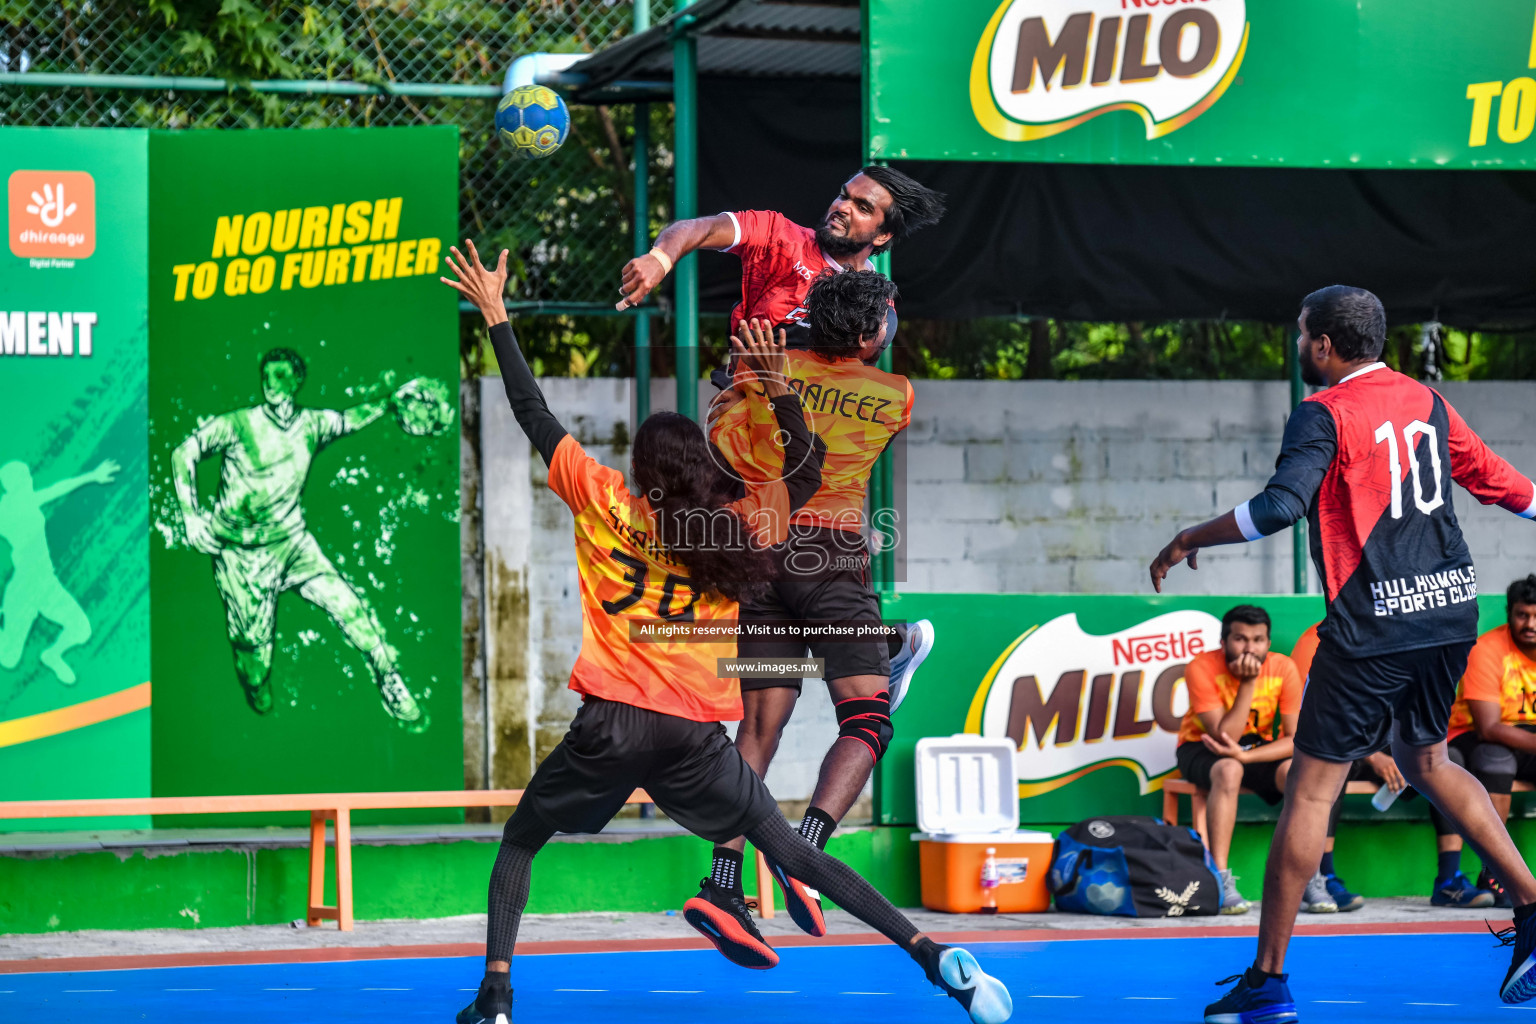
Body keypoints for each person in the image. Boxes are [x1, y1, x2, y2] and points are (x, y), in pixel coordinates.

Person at [442, 240, 1012, 1024]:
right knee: (791, 847)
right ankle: (932, 956)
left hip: (610, 724)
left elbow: (531, 412)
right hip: (694, 737)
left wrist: (498, 315)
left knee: (522, 841)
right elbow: (806, 468)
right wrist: (780, 391)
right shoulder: (737, 530)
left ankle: (497, 997)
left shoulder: (604, 499)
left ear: (642, 472)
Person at [1150, 284, 1536, 1018]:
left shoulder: (1323, 413)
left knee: (1312, 790)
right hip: (1451, 611)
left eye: (1303, 335)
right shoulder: (1427, 402)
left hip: (1375, 625)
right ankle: (1533, 910)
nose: (1301, 346)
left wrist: (1189, 536)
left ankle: (1267, 982)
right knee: (1429, 760)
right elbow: (1509, 487)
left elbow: (1276, 508)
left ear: (1323, 345)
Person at [617, 166, 946, 692]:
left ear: (882, 235)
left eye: (863, 206)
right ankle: (884, 644)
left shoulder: (874, 306)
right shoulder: (778, 237)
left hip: (805, 468)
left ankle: (879, 646)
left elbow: (856, 393)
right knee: (709, 566)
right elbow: (696, 228)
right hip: (749, 440)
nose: (843, 206)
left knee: (748, 600)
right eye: (844, 194)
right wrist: (662, 257)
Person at [688, 270, 919, 952]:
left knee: (758, 729)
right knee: (870, 720)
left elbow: (720, 440)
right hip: (834, 562)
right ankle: (805, 850)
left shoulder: (762, 371)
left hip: (761, 559)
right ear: (875, 333)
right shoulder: (897, 395)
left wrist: (743, 377)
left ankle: (722, 885)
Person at [171, 349, 426, 726]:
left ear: (296, 380)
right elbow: (183, 453)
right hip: (241, 558)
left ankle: (389, 677)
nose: (269, 383)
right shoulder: (239, 424)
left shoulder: (312, 424)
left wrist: (387, 403)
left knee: (350, 606)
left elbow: (347, 420)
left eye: (279, 375)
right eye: (266, 375)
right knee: (255, 667)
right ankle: (256, 688)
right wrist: (191, 519)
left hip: (293, 544)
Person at [1294, 623, 1494, 909]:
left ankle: (1449, 881)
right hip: (1346, 743)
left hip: (1396, 742)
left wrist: (1406, 753)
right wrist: (1373, 756)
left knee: (1449, 761)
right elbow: (1316, 720)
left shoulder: (1407, 633)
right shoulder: (1315, 639)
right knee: (1331, 768)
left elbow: (1419, 709)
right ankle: (1324, 876)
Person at [1176, 605, 1304, 914]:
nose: (1250, 648)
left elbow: (1295, 739)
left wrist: (1250, 756)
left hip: (1254, 748)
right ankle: (1220, 878)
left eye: (1258, 640)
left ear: (1268, 643)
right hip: (1201, 746)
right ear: (1223, 642)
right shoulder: (1201, 667)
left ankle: (1305, 875)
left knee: (1297, 772)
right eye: (1240, 639)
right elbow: (1224, 738)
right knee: (1230, 769)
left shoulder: (1284, 668)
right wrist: (1249, 683)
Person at [1450, 573, 1536, 907]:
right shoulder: (1488, 649)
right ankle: (1494, 873)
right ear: (1509, 613)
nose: (1530, 623)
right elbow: (1489, 727)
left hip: (1525, 737)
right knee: (1495, 760)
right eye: (1522, 614)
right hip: (1471, 734)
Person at [0, 457, 119, 683]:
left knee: (81, 629)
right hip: (23, 591)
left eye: (28, 475)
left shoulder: (19, 503)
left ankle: (52, 655)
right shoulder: (17, 505)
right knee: (8, 659)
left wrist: (93, 476)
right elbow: (57, 489)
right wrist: (92, 476)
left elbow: (56, 489)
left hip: (46, 584)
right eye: (25, 477)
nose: (30, 480)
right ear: (15, 484)